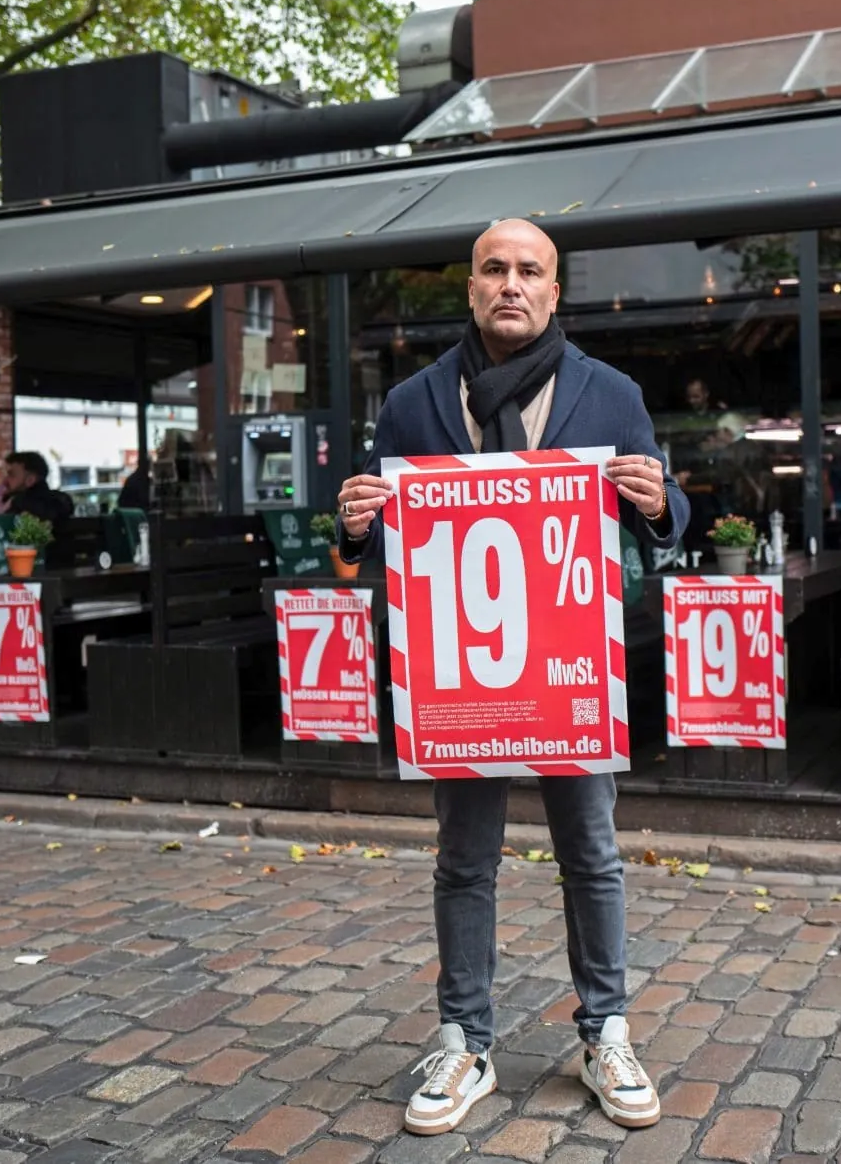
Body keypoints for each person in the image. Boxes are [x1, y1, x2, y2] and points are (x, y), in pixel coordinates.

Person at [336, 219, 685, 1137]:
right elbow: (384, 545)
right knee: (463, 859)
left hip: (568, 669)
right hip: (462, 674)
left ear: (556, 290)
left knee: (592, 855)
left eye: (531, 270)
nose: (512, 284)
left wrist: (660, 501)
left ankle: (605, 1029)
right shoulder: (412, 403)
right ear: (471, 286)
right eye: (495, 268)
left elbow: (671, 505)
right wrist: (355, 522)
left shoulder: (611, 396)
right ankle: (464, 1037)